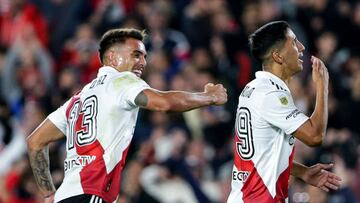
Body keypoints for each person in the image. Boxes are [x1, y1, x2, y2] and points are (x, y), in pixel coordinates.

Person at [26, 28, 228, 203]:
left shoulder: (77, 99)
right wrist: (209, 97)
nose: (143, 62)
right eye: (136, 55)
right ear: (113, 58)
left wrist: (48, 193)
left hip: (66, 196)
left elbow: (35, 142)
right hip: (93, 193)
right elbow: (165, 103)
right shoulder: (122, 81)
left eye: (144, 56)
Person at [227, 21, 341, 203]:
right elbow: (315, 136)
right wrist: (322, 87)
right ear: (278, 56)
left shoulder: (253, 88)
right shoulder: (271, 95)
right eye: (294, 42)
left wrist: (302, 172)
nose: (302, 47)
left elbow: (262, 155)